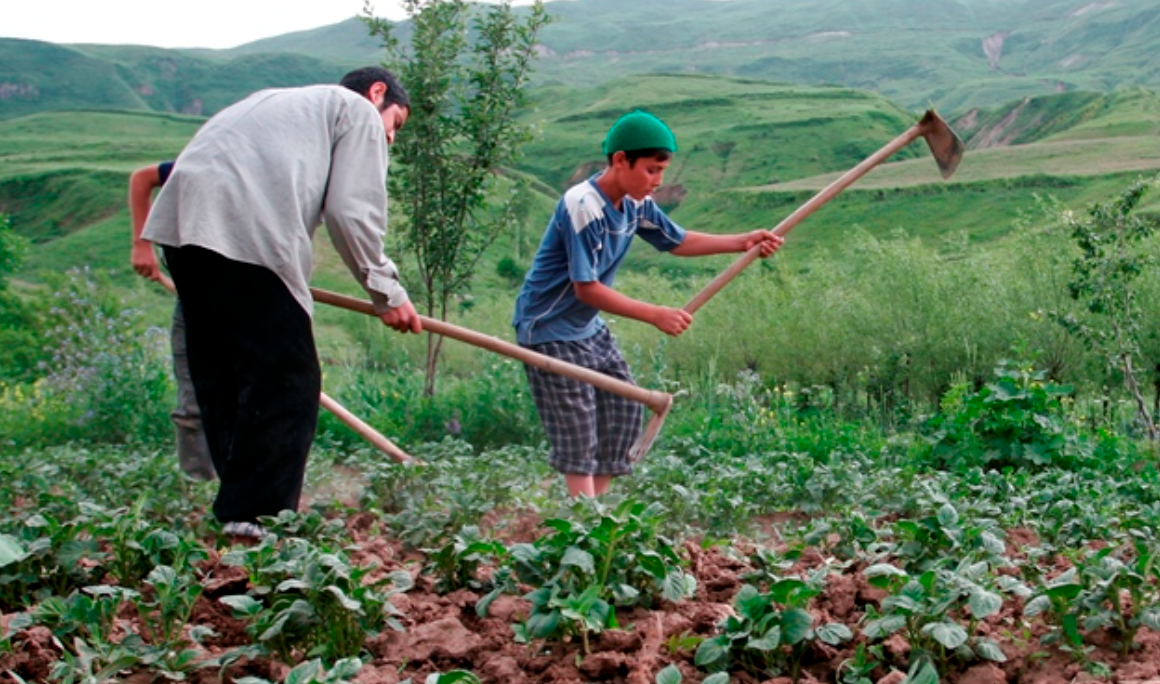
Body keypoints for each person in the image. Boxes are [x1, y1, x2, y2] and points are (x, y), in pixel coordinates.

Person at [141, 66, 421, 539]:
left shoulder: (278, 100)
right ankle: (256, 518)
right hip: (239, 226)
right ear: (378, 94)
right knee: (289, 378)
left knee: (225, 375)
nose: (389, 139)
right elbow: (351, 211)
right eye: (394, 126)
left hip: (182, 226)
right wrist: (386, 292)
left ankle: (236, 514)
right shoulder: (354, 110)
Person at [512, 109, 784, 498]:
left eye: (662, 172)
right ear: (621, 160)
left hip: (587, 327)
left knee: (624, 409)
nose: (657, 182)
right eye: (651, 170)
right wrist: (655, 314)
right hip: (548, 327)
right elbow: (585, 289)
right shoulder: (583, 204)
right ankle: (581, 520)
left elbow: (677, 241)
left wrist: (742, 242)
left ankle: (595, 512)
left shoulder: (635, 202)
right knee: (578, 426)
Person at [129, 160, 216, 482]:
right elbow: (143, 178)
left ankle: (249, 492)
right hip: (194, 297)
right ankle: (197, 487)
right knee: (192, 404)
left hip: (249, 297)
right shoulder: (207, 164)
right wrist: (142, 244)